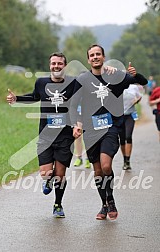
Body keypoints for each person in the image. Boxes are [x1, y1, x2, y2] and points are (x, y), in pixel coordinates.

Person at [70, 44, 147, 221]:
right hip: (90, 130)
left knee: (106, 166)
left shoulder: (116, 76)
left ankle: (110, 199)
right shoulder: (82, 79)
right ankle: (104, 204)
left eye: (98, 54)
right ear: (88, 59)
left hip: (111, 127)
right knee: (97, 171)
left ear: (103, 57)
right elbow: (73, 105)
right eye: (92, 55)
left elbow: (142, 82)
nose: (95, 57)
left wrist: (134, 74)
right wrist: (77, 123)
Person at [7, 52, 77, 218]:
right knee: (46, 173)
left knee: (60, 175)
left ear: (64, 66)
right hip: (46, 135)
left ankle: (58, 204)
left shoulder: (73, 83)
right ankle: (48, 180)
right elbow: (34, 97)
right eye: (53, 63)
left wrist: (78, 124)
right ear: (49, 65)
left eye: (59, 63)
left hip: (65, 135)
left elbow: (79, 103)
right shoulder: (41, 82)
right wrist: (17, 98)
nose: (56, 66)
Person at [119, 84, 142, 170]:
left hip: (130, 115)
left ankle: (127, 160)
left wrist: (137, 100)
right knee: (122, 139)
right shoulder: (116, 86)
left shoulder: (133, 87)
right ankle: (124, 159)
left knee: (128, 136)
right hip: (119, 116)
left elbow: (139, 97)